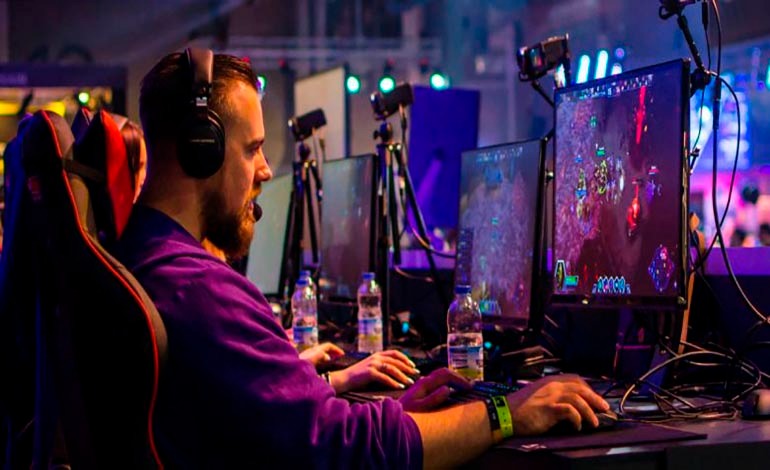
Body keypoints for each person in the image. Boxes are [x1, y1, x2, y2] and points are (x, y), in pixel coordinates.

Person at [116, 49, 608, 468]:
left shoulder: (141, 257)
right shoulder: (198, 290)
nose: (265, 169)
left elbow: (301, 423)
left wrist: (393, 414)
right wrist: (506, 413)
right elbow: (344, 448)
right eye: (253, 149)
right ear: (201, 150)